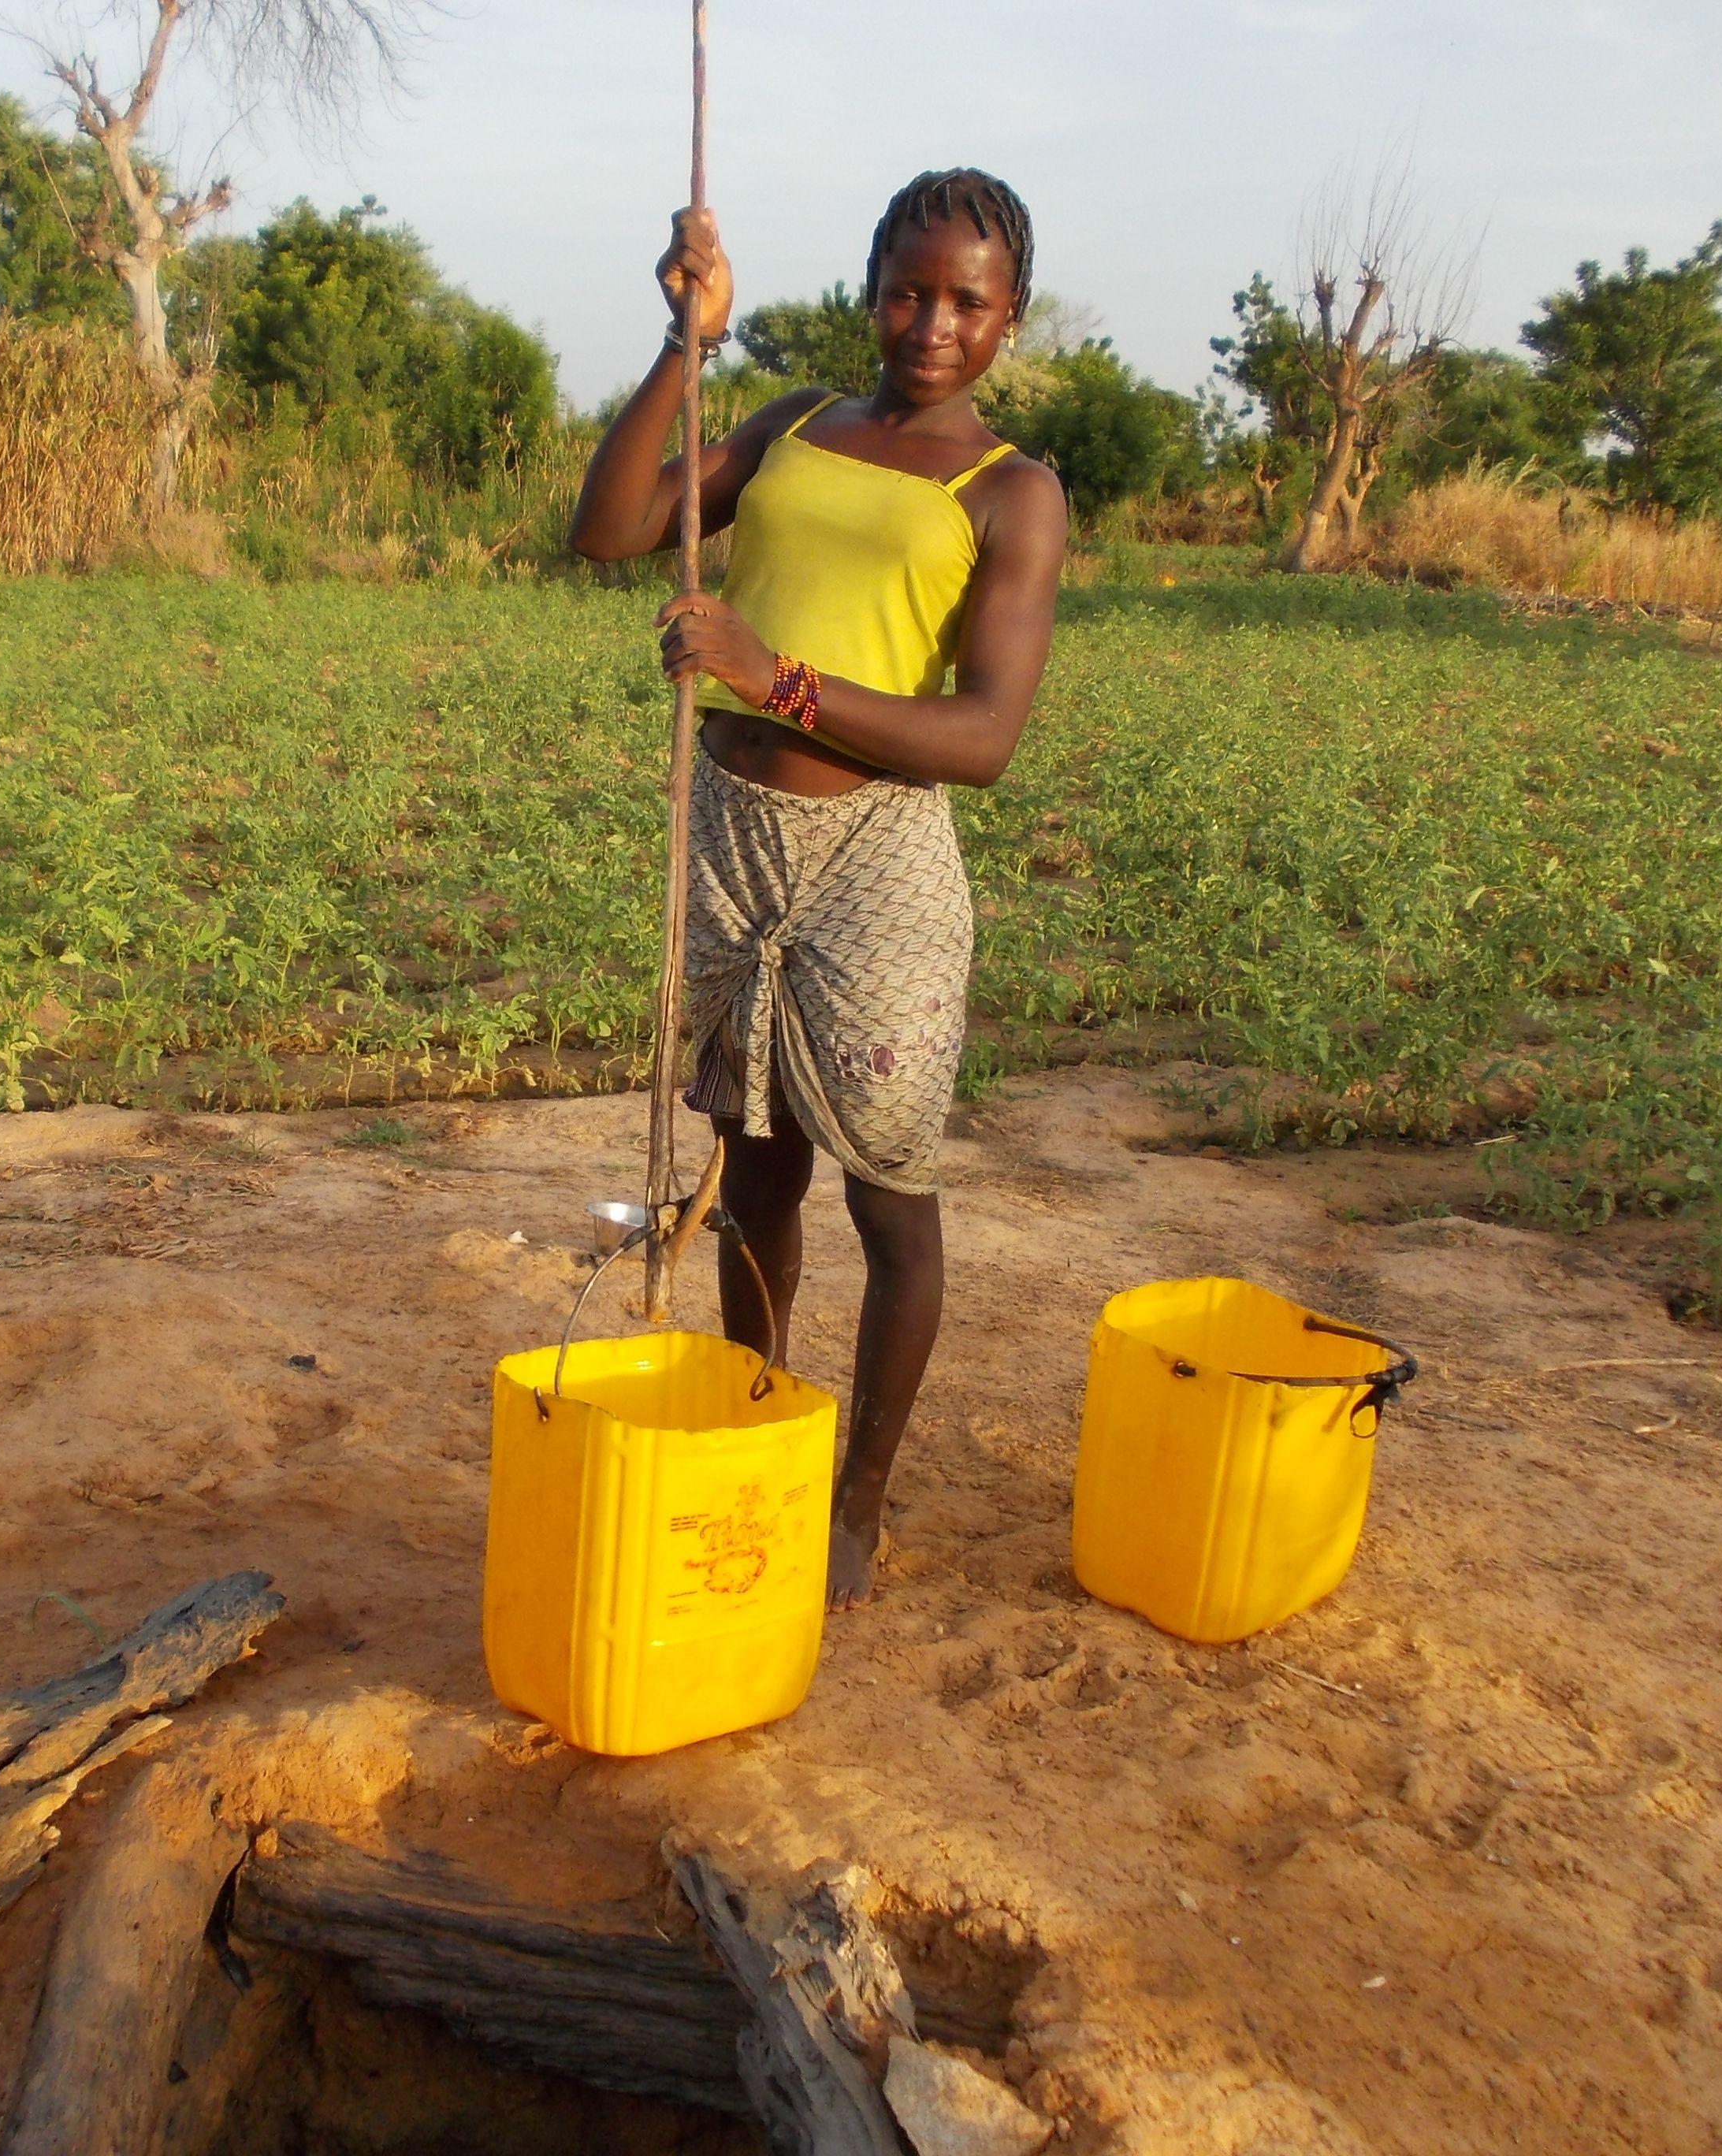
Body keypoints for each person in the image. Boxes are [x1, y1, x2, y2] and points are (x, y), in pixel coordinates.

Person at [569, 170, 1066, 1608]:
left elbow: (984, 738)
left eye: (967, 301)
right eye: (910, 289)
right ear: (870, 288)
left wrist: (768, 673)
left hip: (881, 859)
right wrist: (685, 347)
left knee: (891, 1196)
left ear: (1008, 317)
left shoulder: (1012, 491)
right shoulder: (792, 426)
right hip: (734, 833)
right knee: (757, 1172)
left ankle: (859, 1499)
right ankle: (753, 1432)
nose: (932, 324)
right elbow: (611, 530)